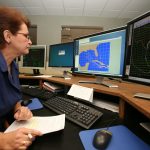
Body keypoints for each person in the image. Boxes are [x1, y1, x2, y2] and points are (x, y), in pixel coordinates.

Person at [0, 6, 42, 149]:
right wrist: (3, 141)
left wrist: (19, 109)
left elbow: (13, 99)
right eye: (26, 36)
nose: (30, 42)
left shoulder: (13, 66)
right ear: (8, 36)